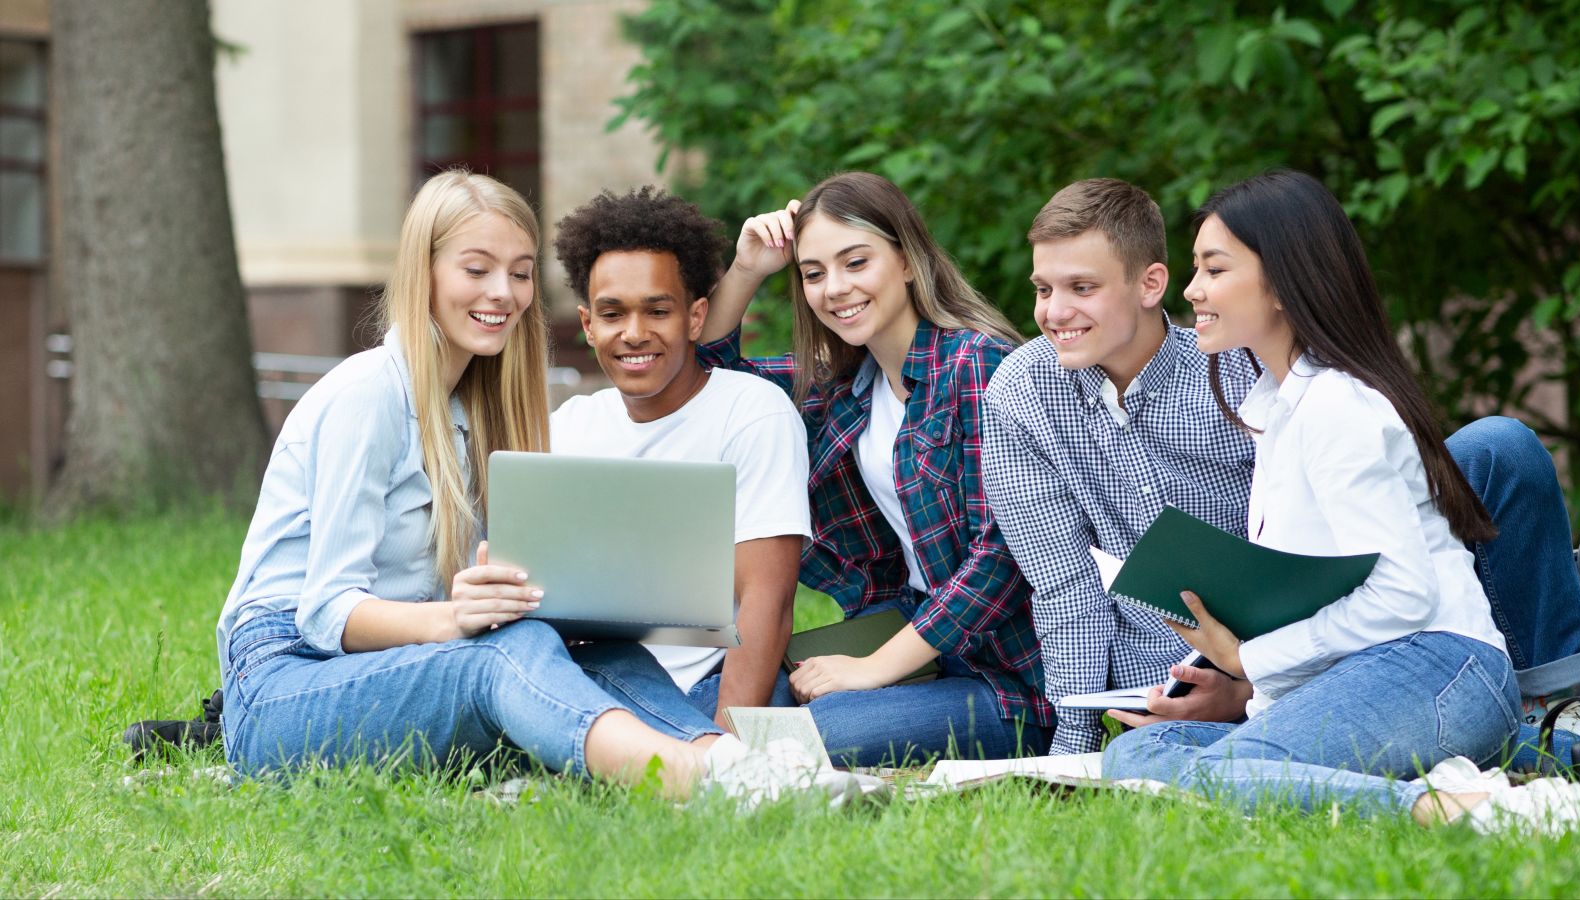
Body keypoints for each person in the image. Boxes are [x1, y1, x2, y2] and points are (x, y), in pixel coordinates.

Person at [215, 171, 858, 804]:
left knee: (593, 645)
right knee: (510, 651)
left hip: (394, 670)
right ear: (425, 273)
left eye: (520, 273)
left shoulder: (477, 409)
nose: (503, 292)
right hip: (282, 682)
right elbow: (326, 614)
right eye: (477, 269)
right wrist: (456, 619)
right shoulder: (369, 395)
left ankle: (738, 765)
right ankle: (692, 781)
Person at [981, 178, 1580, 757]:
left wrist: (1250, 675)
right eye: (1042, 290)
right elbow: (1066, 587)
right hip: (1199, 668)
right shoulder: (1024, 392)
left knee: (1497, 449)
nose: (1054, 311)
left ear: (1149, 284)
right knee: (1155, 757)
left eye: (1081, 288)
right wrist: (1074, 744)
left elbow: (1371, 572)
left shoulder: (1254, 366)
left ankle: (1561, 706)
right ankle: (1511, 747)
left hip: (1333, 639)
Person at [701, 171, 1050, 765]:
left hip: (1007, 678)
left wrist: (871, 670)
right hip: (903, 630)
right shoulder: (845, 385)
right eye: (814, 274)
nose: (835, 288)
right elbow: (712, 375)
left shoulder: (977, 366)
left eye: (855, 262)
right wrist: (747, 269)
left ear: (908, 262)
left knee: (796, 736)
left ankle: (691, 776)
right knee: (722, 699)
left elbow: (1003, 557)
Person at [549, 186, 809, 728]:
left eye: (657, 310)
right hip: (583, 674)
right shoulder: (568, 426)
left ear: (695, 318)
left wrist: (724, 741)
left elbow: (768, 601)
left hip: (702, 686)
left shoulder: (752, 410)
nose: (634, 333)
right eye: (612, 313)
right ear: (587, 324)